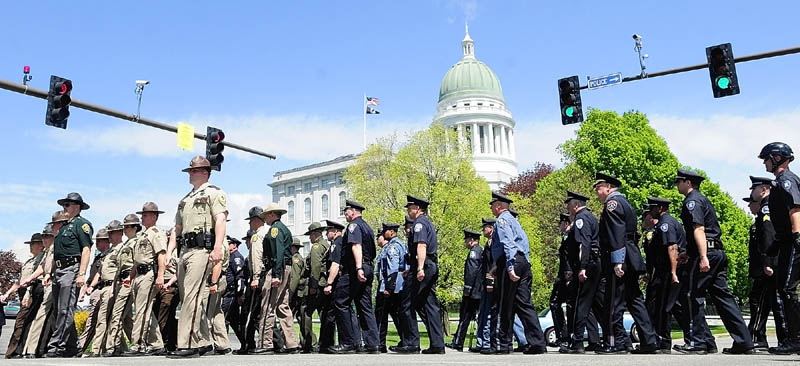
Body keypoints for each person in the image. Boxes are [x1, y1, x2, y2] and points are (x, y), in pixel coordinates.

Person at [674, 169, 753, 354]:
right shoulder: (703, 199)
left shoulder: (692, 201)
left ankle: (697, 342)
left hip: (707, 253)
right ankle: (744, 341)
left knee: (691, 295)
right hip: (717, 251)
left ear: (688, 183)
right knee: (724, 298)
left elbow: (699, 229)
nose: (676, 185)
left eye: (679, 181)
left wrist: (701, 256)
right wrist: (690, 251)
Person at [166, 156, 228, 358]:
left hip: (202, 250)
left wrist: (218, 247)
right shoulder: (185, 199)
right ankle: (203, 341)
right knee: (188, 297)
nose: (190, 174)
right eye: (190, 171)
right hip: (185, 251)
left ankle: (187, 344)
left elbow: (220, 220)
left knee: (191, 297)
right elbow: (177, 229)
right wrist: (169, 252)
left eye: (194, 171)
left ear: (205, 172)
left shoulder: (214, 193)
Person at [593, 173, 658, 354]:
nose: (597, 192)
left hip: (619, 259)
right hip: (630, 256)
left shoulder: (612, 204)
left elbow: (617, 233)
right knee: (635, 300)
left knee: (613, 302)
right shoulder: (625, 203)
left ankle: (615, 342)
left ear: (608, 187)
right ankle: (649, 340)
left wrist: (618, 261)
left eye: (598, 188)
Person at [488, 191, 547, 355]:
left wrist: (510, 267)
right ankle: (538, 342)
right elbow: (524, 242)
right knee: (524, 304)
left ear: (499, 206)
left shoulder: (502, 220)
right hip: (522, 261)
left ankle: (504, 344)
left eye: (493, 205)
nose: (492, 208)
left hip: (511, 261)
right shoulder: (514, 220)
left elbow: (508, 243)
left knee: (505, 304)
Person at [758, 142, 800, 354]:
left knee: (787, 289)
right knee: (786, 289)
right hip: (785, 241)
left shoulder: (786, 180)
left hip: (793, 241)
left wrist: (796, 235)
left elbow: (795, 207)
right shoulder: (780, 181)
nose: (764, 163)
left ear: (776, 158)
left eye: (766, 159)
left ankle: (797, 339)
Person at [395, 196, 445, 354]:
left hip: (423, 265)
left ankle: (411, 343)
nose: (408, 211)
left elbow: (421, 245)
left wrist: (419, 268)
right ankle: (437, 344)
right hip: (430, 265)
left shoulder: (419, 224)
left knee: (407, 304)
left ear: (417, 208)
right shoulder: (427, 222)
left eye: (410, 208)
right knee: (429, 305)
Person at [46, 192, 94, 358]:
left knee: (65, 310)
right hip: (59, 271)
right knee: (59, 310)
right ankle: (73, 348)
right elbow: (57, 253)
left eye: (67, 205)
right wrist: (49, 272)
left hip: (71, 269)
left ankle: (57, 345)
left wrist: (81, 274)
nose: (64, 208)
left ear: (77, 207)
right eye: (63, 205)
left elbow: (86, 250)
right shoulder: (63, 228)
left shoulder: (82, 225)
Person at [331, 200, 379, 354]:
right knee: (364, 305)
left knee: (340, 301)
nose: (345, 215)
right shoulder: (367, 227)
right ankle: (373, 344)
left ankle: (349, 342)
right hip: (368, 266)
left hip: (355, 269)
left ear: (353, 211)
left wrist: (358, 268)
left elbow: (356, 245)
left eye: (346, 212)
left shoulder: (353, 226)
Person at [746, 175, 788, 351]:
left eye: (754, 189)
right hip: (767, 263)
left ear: (763, 189)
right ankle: (782, 339)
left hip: (770, 264)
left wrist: (768, 262)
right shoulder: (766, 207)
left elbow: (769, 236)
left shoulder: (767, 207)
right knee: (769, 301)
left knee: (770, 301)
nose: (752, 194)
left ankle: (773, 338)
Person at [559, 191, 603, 354]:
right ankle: (619, 339)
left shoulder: (581, 219)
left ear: (576, 205)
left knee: (582, 303)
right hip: (594, 263)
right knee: (598, 304)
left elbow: (583, 244)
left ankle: (577, 342)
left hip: (588, 264)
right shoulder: (590, 217)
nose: (568, 207)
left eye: (569, 204)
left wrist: (582, 267)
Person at [124, 203, 167, 356]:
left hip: (149, 274)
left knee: (141, 310)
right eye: (143, 214)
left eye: (146, 215)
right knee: (146, 310)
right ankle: (156, 344)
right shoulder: (143, 235)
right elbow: (137, 259)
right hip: (139, 275)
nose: (143, 217)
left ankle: (138, 345)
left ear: (155, 217)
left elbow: (162, 254)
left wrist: (160, 275)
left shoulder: (156, 233)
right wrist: (130, 277)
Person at [646, 197, 688, 353]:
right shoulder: (666, 222)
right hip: (666, 271)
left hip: (669, 271)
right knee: (667, 307)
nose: (650, 211)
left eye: (653, 207)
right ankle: (662, 341)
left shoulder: (666, 223)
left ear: (660, 208)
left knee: (665, 307)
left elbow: (672, 248)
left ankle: (664, 342)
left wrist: (673, 272)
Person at [258, 202, 300, 354]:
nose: (265, 219)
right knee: (283, 306)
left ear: (272, 214)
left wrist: (275, 274)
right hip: (286, 268)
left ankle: (265, 344)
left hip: (278, 268)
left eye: (266, 216)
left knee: (268, 305)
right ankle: (292, 344)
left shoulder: (275, 229)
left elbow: (278, 252)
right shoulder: (284, 229)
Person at [22, 215, 64, 358]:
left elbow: (51, 267)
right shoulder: (48, 251)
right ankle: (32, 349)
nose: (44, 240)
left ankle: (37, 349)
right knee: (48, 317)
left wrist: (48, 274)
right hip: (48, 285)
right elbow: (42, 267)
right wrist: (30, 278)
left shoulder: (56, 248)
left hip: (55, 283)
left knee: (51, 316)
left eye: (47, 237)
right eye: (44, 237)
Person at [4, 233, 45, 358]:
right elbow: (20, 281)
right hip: (23, 294)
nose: (31, 246)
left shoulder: (41, 260)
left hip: (31, 294)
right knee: (21, 322)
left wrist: (27, 293)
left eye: (33, 244)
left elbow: (32, 281)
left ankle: (15, 351)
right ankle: (13, 351)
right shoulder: (29, 261)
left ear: (41, 245)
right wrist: (7, 293)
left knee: (22, 322)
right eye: (31, 244)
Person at [105, 214, 141, 356]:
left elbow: (137, 262)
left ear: (134, 227)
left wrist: (130, 279)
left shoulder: (137, 242)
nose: (124, 229)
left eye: (126, 227)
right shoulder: (125, 245)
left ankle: (112, 347)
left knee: (117, 313)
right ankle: (148, 343)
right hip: (121, 280)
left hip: (129, 279)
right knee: (127, 319)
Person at [447, 228, 483, 351]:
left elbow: (471, 272)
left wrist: (467, 289)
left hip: (472, 291)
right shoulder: (481, 251)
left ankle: (458, 342)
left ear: (472, 240)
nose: (465, 242)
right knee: (479, 317)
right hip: (479, 291)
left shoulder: (474, 252)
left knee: (465, 317)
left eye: (467, 240)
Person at [238, 207, 268, 355]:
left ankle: (249, 344)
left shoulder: (257, 237)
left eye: (251, 221)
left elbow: (256, 258)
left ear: (256, 221)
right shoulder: (267, 234)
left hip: (257, 276)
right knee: (259, 312)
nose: (250, 224)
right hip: (264, 276)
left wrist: (255, 277)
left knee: (250, 312)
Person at [76, 227, 110, 356]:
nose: (97, 243)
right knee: (96, 321)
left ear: (106, 241)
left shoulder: (107, 256)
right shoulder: (98, 257)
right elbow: (91, 277)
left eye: (100, 241)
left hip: (100, 289)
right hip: (95, 290)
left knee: (94, 321)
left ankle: (82, 347)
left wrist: (90, 287)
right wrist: (84, 290)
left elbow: (100, 274)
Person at [375, 223, 407, 353]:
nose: (383, 234)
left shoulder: (393, 246)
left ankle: (380, 342)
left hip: (390, 285)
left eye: (385, 232)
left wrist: (388, 286)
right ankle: (405, 340)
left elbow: (393, 268)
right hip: (396, 285)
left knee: (382, 315)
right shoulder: (397, 245)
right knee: (396, 314)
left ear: (392, 232)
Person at [472, 218, 498, 354]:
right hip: (484, 283)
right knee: (483, 313)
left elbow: (492, 265)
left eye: (485, 228)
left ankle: (487, 342)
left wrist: (490, 282)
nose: (483, 231)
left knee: (489, 313)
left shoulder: (494, 243)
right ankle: (482, 341)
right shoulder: (488, 243)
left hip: (490, 282)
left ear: (491, 228)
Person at [305, 222, 330, 352]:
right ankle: (326, 342)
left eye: (310, 235)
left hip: (318, 283)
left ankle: (309, 343)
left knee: (307, 313)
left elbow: (315, 267)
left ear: (315, 235)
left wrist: (313, 285)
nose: (309, 238)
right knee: (324, 314)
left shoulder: (316, 247)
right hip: (325, 282)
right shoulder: (326, 244)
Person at [550, 213, 573, 350]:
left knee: (557, 303)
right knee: (555, 303)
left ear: (565, 223)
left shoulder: (569, 236)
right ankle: (563, 336)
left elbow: (569, 257)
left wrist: (568, 275)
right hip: (563, 274)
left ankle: (565, 337)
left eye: (561, 223)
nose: (559, 226)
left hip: (566, 275)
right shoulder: (566, 236)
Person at [289, 237, 314, 352]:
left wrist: (290, 294)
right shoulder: (298, 258)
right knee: (301, 317)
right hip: (301, 291)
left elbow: (295, 278)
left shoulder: (295, 259)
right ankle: (310, 342)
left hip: (300, 292)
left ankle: (309, 343)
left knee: (303, 317)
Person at [222, 235, 246, 349]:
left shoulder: (236, 257)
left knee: (224, 318)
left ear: (234, 245)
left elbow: (240, 276)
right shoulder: (230, 257)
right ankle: (245, 344)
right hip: (229, 292)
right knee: (234, 321)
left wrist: (239, 294)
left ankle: (223, 345)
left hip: (232, 293)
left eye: (229, 243)